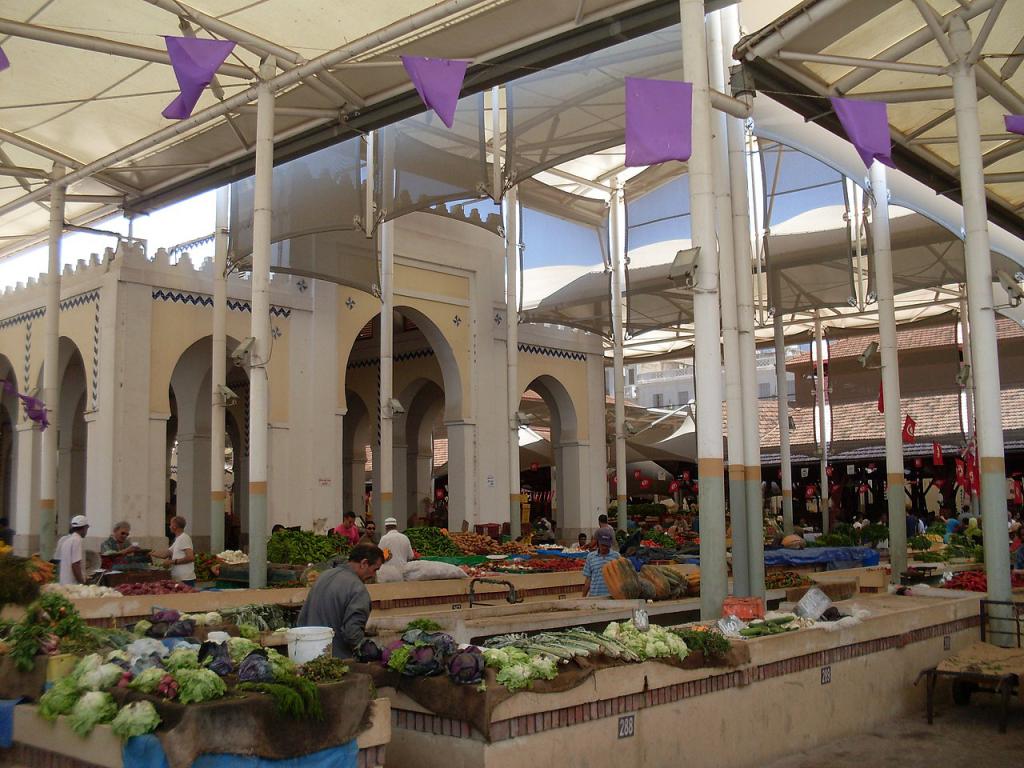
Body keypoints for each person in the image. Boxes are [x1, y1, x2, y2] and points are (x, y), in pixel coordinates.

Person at [297, 543, 384, 659]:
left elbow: (302, 619)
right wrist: (372, 653)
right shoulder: (358, 590)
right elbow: (352, 634)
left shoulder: (324, 576)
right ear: (364, 563)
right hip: (336, 661)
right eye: (375, 569)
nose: (374, 575)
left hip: (307, 656)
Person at [154, 516, 196, 587]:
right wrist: (151, 553)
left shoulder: (184, 538)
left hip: (185, 579)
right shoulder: (178, 539)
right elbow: (165, 554)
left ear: (174, 526)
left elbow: (190, 557)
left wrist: (172, 562)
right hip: (179, 578)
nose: (169, 527)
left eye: (170, 525)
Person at [582, 528, 620, 598]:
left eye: (607, 545)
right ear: (598, 542)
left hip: (611, 597)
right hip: (594, 596)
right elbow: (588, 579)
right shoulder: (590, 557)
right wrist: (583, 596)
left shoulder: (616, 556)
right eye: (603, 545)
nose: (605, 547)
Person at [56, 515, 90, 585]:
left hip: (64, 582)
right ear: (84, 528)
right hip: (73, 584)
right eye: (87, 529)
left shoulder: (67, 541)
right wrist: (82, 582)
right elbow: (75, 564)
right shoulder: (77, 541)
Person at [376, 517, 413, 582]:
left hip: (388, 574)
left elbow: (378, 556)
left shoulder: (384, 538)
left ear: (386, 527)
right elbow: (411, 556)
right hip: (403, 573)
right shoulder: (405, 537)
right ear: (396, 526)